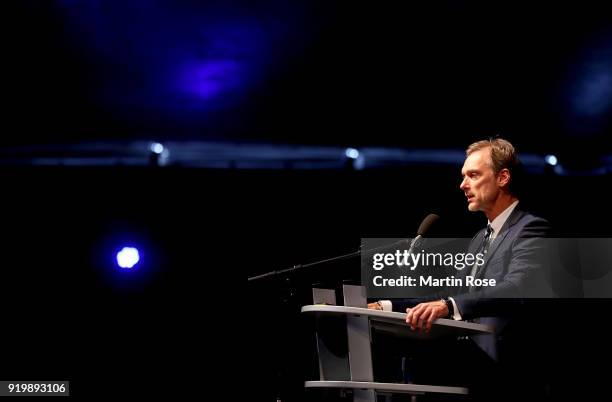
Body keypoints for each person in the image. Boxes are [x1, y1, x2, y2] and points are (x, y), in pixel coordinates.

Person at [369, 138, 551, 399]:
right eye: (463, 176)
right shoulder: (480, 238)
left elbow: (517, 287)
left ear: (503, 177)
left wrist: (449, 306)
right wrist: (385, 307)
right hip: (472, 374)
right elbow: (451, 293)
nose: (463, 185)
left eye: (473, 175)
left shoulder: (531, 228)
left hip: (510, 378)